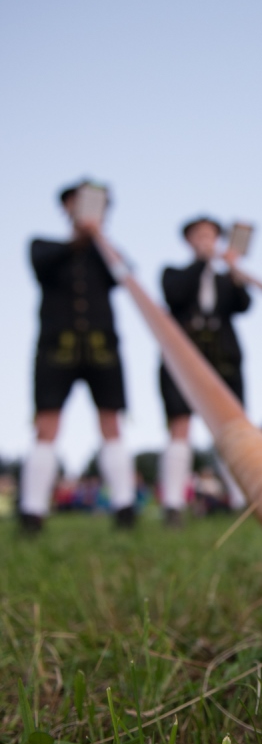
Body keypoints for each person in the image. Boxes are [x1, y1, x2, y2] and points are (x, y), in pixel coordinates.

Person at [19, 179, 137, 532]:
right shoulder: (44, 246)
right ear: (66, 207)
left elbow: (127, 275)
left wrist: (99, 238)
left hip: (102, 348)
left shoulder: (106, 254)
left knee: (111, 423)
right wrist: (80, 239)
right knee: (47, 425)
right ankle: (32, 510)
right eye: (77, 202)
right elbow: (42, 264)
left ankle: (124, 505)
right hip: (58, 347)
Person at [159, 217, 252, 525]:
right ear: (189, 240)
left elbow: (244, 304)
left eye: (211, 235)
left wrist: (235, 270)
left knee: (230, 427)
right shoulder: (174, 273)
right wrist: (202, 262)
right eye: (200, 235)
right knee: (180, 423)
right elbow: (175, 295)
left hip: (223, 356)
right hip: (184, 353)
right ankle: (173, 503)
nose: (206, 240)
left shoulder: (226, 279)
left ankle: (241, 500)